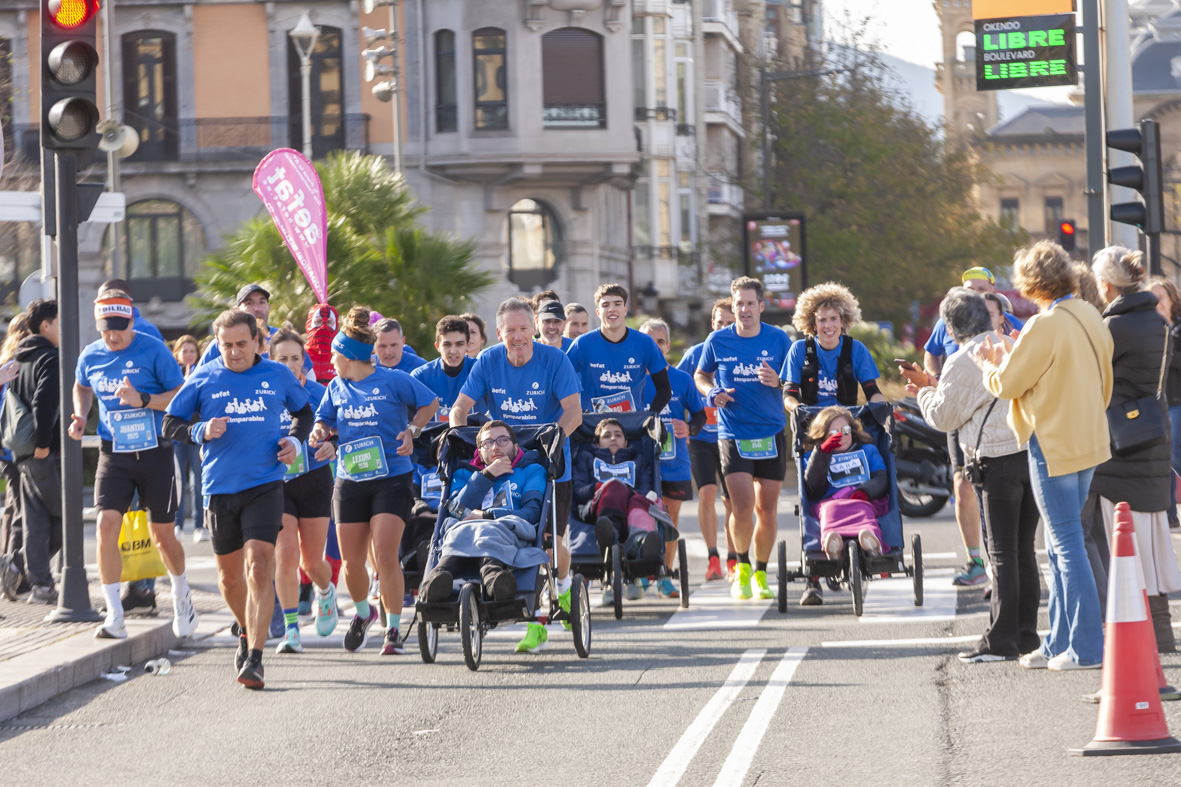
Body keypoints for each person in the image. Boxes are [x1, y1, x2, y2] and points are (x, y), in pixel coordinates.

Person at [970, 240, 1112, 671]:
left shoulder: (1044, 325)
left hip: (1051, 441)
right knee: (1060, 543)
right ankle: (1058, 643)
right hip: (1089, 437)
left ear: (1031, 283)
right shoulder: (1089, 313)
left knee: (1065, 544)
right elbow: (1100, 377)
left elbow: (1009, 384)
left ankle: (1085, 647)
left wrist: (989, 363)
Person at [163, 310, 314, 689]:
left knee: (258, 567)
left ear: (258, 342)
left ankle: (256, 659)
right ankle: (246, 630)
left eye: (241, 344)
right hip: (219, 488)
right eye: (226, 345)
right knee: (230, 580)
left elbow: (304, 412)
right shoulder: (205, 375)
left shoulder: (278, 375)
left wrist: (295, 441)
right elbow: (170, 423)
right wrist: (200, 429)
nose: (233, 352)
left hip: (264, 484)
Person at [902, 289, 1040, 663]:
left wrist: (923, 394)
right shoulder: (1012, 343)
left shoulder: (964, 358)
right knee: (1024, 550)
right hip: (1030, 453)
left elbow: (945, 417)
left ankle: (1000, 642)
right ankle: (1027, 634)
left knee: (1001, 553)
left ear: (951, 326)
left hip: (995, 460)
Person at [449, 297, 582, 654]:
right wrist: (463, 441)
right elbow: (461, 408)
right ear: (499, 333)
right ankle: (537, 625)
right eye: (511, 331)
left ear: (534, 328)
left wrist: (554, 441)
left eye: (525, 329)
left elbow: (574, 412)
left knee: (551, 542)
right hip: (502, 461)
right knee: (516, 536)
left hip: (550, 462)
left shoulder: (555, 360)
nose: (519, 336)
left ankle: (565, 585)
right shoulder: (489, 361)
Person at [309, 307, 438, 656]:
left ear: (349, 356)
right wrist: (321, 432)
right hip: (350, 480)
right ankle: (364, 614)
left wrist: (413, 430)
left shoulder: (392, 379)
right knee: (351, 562)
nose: (330, 361)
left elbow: (429, 402)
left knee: (384, 554)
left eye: (334, 355)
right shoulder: (336, 386)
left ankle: (393, 630)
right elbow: (324, 421)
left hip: (392, 477)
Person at [70, 288, 196, 641]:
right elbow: (81, 386)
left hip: (154, 451)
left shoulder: (152, 348)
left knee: (162, 537)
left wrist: (143, 399)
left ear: (131, 320)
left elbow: (180, 395)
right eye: (107, 327)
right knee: (106, 525)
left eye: (120, 326)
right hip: (114, 453)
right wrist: (81, 416)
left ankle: (182, 594)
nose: (114, 335)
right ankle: (114, 614)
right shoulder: (90, 354)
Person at [1083, 249, 1181, 653]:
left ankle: (1127, 637)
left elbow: (1092, 379)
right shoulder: (1157, 322)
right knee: (1148, 544)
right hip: (1153, 435)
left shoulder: (1114, 327)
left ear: (1106, 285)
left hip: (1120, 445)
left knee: (1115, 543)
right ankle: (1162, 637)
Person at [923, 268, 1025, 589]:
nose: (978, 295)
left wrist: (927, 391)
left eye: (983, 289)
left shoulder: (1012, 336)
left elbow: (941, 416)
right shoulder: (952, 325)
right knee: (964, 487)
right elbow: (931, 354)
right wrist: (934, 380)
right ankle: (977, 562)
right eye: (971, 289)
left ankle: (1001, 594)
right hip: (979, 428)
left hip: (995, 443)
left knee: (1004, 539)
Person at [695, 277, 791, 602]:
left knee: (767, 509)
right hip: (733, 432)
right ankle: (743, 567)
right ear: (732, 306)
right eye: (739, 304)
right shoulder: (717, 340)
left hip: (771, 431)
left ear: (761, 306)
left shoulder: (779, 339)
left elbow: (795, 381)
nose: (745, 309)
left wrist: (779, 381)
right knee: (742, 507)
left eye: (751, 303)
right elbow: (700, 375)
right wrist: (713, 394)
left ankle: (762, 572)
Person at [419, 421, 549, 603]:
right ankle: (438, 579)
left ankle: (495, 579)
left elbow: (532, 513)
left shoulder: (532, 471)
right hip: (464, 531)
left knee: (488, 529)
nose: (495, 447)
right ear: (479, 451)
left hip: (508, 529)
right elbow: (455, 510)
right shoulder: (464, 475)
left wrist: (487, 516)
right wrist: (486, 475)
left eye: (503, 440)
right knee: (457, 528)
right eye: (487, 443)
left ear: (516, 446)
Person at [268, 328, 339, 654]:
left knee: (311, 562)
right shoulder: (262, 392)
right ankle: (292, 629)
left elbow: (342, 428)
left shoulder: (319, 392)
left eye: (296, 358)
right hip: (276, 482)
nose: (290, 364)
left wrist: (332, 446)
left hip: (313, 479)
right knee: (285, 556)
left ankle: (325, 592)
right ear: (271, 359)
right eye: (282, 358)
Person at [640, 319, 706, 597]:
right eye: (649, 342)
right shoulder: (631, 379)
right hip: (641, 463)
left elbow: (700, 415)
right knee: (640, 518)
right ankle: (640, 573)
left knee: (669, 520)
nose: (655, 347)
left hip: (675, 462)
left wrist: (688, 427)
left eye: (660, 342)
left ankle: (665, 575)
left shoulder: (681, 379)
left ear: (667, 346)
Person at [679, 298, 737, 581]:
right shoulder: (696, 353)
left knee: (733, 501)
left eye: (729, 323)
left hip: (733, 436)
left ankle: (734, 558)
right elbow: (677, 387)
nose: (724, 328)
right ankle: (713, 556)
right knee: (707, 493)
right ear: (711, 324)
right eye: (719, 323)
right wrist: (684, 425)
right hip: (701, 437)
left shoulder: (742, 350)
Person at [8, 300, 62, 604]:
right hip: (44, 451)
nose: (62, 328)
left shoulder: (19, 357)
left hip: (21, 450)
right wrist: (43, 445)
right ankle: (19, 563)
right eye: (59, 321)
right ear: (46, 325)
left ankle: (40, 584)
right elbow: (43, 402)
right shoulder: (49, 358)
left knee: (37, 519)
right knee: (67, 518)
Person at [566, 283, 671, 414]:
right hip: (591, 428)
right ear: (598, 312)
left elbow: (664, 388)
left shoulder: (645, 342)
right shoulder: (582, 344)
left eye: (617, 304)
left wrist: (650, 416)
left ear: (625, 310)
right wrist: (579, 413)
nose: (611, 309)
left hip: (632, 428)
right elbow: (562, 384)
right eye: (605, 305)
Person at [800, 406, 888, 560]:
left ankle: (871, 541)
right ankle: (832, 542)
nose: (841, 436)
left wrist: (865, 491)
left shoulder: (868, 450)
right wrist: (822, 454)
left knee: (863, 510)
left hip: (862, 499)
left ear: (852, 431)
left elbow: (881, 478)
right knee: (830, 510)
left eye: (845, 430)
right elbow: (812, 490)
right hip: (829, 503)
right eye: (833, 433)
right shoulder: (811, 457)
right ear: (823, 435)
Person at [783, 282, 887, 411]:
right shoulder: (799, 349)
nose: (828, 325)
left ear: (842, 321)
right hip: (811, 424)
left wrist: (882, 407)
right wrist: (799, 410)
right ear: (813, 324)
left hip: (847, 424)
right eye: (822, 320)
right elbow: (789, 394)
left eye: (833, 318)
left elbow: (872, 391)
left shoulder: (856, 349)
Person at [0, 315, 31, 602]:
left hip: (5, 447)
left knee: (12, 508)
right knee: (21, 509)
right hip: (18, 447)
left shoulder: (5, 359)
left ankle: (10, 569)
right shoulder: (17, 363)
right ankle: (13, 572)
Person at [1148, 275, 1181, 530]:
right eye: (1152, 298)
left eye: (1161, 297)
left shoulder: (1177, 330)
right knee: (1164, 459)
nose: (1157, 302)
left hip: (1177, 402)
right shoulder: (1146, 329)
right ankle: (1170, 513)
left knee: (1174, 458)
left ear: (1172, 301)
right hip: (1155, 403)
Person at [171, 336, 206, 543]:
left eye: (192, 351)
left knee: (198, 482)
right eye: (184, 351)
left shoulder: (202, 373)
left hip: (197, 434)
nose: (189, 355)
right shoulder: (172, 375)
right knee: (177, 482)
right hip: (178, 436)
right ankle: (177, 524)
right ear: (177, 354)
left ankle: (200, 526)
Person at [411, 315, 476, 423]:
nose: (453, 351)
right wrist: (414, 434)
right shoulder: (420, 376)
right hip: (432, 438)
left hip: (474, 438)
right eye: (447, 344)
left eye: (459, 344)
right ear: (437, 346)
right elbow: (409, 422)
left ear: (468, 345)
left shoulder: (480, 370)